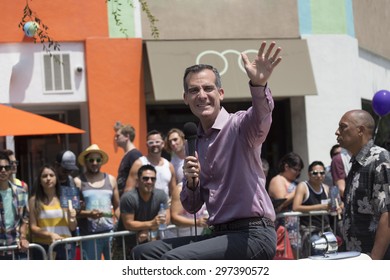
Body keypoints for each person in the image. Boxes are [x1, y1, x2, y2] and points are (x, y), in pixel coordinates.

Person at [131, 41, 282, 260]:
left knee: (173, 261)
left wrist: (259, 85)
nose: (201, 95)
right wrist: (192, 182)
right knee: (143, 252)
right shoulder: (195, 143)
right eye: (194, 90)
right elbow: (192, 207)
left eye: (208, 88)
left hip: (253, 234)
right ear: (186, 99)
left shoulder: (240, 126)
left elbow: (261, 117)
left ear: (221, 93)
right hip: (218, 234)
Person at [336, 109, 390, 260]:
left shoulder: (380, 159)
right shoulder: (356, 163)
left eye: (343, 127)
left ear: (360, 130)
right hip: (356, 258)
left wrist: (374, 262)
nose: (337, 132)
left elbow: (387, 213)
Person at [113, 164, 169, 259]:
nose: (149, 181)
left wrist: (148, 230)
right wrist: (151, 224)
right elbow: (129, 224)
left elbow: (166, 220)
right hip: (124, 245)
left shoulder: (161, 195)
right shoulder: (128, 198)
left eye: (153, 179)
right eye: (145, 178)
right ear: (138, 181)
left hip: (147, 243)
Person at [74, 144, 120, 260]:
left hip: (110, 233)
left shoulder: (111, 180)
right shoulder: (78, 181)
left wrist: (119, 224)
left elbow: (117, 206)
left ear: (101, 162)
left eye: (98, 160)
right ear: (85, 161)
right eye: (91, 160)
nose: (94, 163)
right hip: (89, 236)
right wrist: (89, 214)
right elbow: (74, 211)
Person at [29, 164, 77, 260]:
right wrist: (50, 235)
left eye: (51, 175)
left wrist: (72, 218)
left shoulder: (65, 197)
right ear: (39, 181)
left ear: (56, 178)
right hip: (43, 247)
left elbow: (72, 227)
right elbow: (33, 227)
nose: (48, 178)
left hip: (64, 245)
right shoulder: (34, 200)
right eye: (44, 176)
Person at [165, 128, 208, 236]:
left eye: (175, 139)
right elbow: (174, 185)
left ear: (183, 139)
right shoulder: (172, 163)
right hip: (183, 198)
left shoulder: (197, 151)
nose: (173, 143)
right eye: (170, 142)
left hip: (199, 194)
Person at [292, 161, 335, 258]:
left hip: (326, 228)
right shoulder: (303, 186)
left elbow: (334, 206)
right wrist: (321, 207)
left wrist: (338, 206)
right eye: (315, 173)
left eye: (322, 173)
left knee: (332, 254)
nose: (319, 175)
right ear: (309, 174)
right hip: (309, 230)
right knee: (318, 253)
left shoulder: (326, 188)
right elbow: (296, 207)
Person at [268, 152, 304, 258]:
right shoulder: (277, 180)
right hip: (284, 226)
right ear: (286, 166)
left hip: (298, 225)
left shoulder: (296, 182)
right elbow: (282, 201)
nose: (297, 173)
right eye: (295, 169)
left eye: (299, 170)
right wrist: (299, 190)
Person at [125, 130, 176, 198]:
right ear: (147, 145)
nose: (154, 144)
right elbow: (129, 190)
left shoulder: (169, 166)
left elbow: (174, 192)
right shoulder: (139, 164)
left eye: (157, 142)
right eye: (151, 142)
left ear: (163, 144)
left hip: (164, 207)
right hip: (144, 207)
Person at [0, 151, 29, 260]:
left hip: (16, 247)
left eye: (6, 167)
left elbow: (24, 219)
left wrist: (23, 237)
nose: (3, 170)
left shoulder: (20, 192)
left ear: (10, 170)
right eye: (0, 168)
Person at [114, 122, 143, 197]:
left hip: (131, 199)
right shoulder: (128, 155)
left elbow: (140, 178)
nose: (115, 138)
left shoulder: (134, 155)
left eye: (118, 136)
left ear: (127, 136)